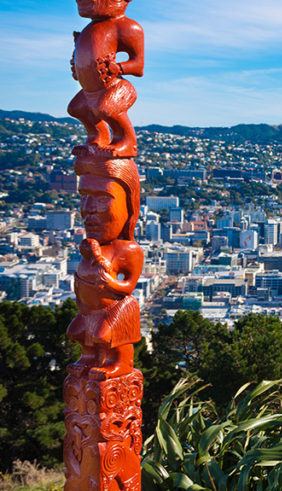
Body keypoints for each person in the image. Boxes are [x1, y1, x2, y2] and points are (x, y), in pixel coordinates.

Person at [66, 161, 143, 379]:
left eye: (101, 198)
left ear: (129, 206)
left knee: (107, 335)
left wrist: (108, 283)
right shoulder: (92, 246)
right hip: (89, 309)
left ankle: (120, 362)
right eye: (83, 197)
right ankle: (88, 358)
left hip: (112, 311)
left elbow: (127, 286)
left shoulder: (128, 250)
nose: (88, 207)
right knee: (78, 333)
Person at [68, 0, 144, 158]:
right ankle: (97, 138)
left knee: (106, 109)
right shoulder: (87, 31)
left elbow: (138, 66)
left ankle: (128, 143)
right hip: (90, 92)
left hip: (115, 88)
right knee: (76, 108)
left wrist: (118, 68)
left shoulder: (127, 27)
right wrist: (78, 68)